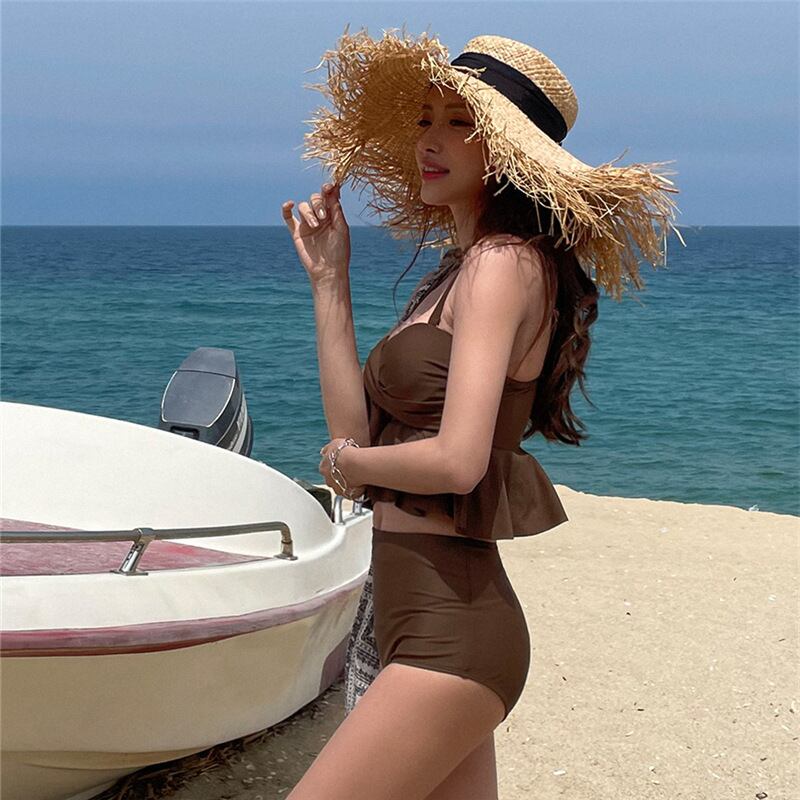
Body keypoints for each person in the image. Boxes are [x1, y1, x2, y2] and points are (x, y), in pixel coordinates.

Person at [281, 27, 682, 800]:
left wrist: (346, 469)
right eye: (425, 119)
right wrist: (330, 284)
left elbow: (457, 461)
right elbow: (354, 432)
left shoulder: (503, 265)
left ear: (507, 152)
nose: (430, 140)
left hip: (450, 631)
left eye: (459, 122)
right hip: (413, 619)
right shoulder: (455, 273)